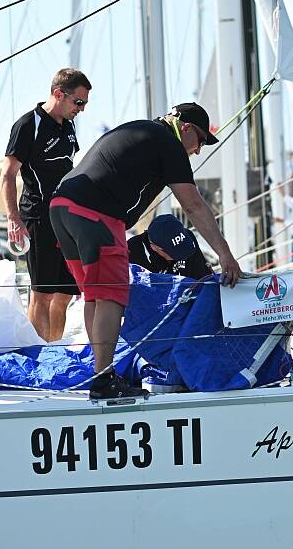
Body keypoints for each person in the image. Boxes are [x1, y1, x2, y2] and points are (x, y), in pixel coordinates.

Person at [49, 102, 241, 399]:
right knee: (111, 295)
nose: (199, 150)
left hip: (62, 207)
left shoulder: (144, 132)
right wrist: (225, 255)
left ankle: (102, 373)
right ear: (186, 128)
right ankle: (103, 380)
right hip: (95, 212)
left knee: (95, 295)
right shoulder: (169, 143)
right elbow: (193, 205)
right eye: (201, 140)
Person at [2, 68, 90, 341]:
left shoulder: (69, 125)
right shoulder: (29, 125)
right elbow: (7, 175)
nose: (82, 109)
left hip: (67, 218)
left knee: (65, 294)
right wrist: (13, 219)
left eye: (85, 104)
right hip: (39, 216)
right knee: (43, 294)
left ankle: (54, 351)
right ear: (58, 94)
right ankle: (38, 355)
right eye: (78, 102)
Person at [128, 214, 212, 279]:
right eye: (175, 251)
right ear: (154, 247)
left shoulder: (188, 238)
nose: (182, 252)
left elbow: (203, 277)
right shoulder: (132, 254)